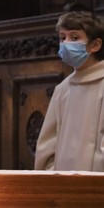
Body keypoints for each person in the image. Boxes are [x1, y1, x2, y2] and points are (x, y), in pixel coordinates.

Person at [34, 10, 104, 171]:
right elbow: (48, 145)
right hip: (63, 187)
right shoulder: (62, 89)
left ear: (95, 45)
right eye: (62, 37)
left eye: (74, 38)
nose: (66, 43)